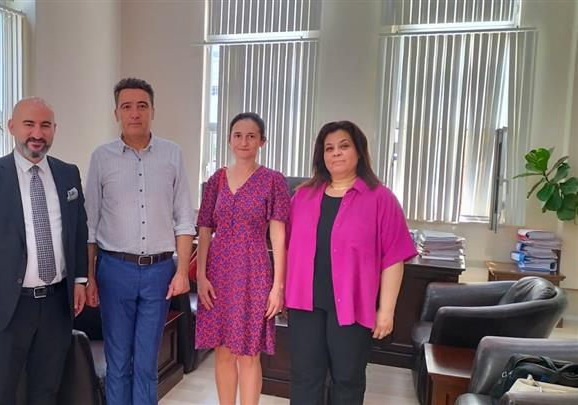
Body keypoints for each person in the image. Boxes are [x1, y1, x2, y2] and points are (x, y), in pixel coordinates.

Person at [0, 97, 88, 405]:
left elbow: (79, 229)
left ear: (54, 129)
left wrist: (80, 279)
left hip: (57, 303)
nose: (37, 134)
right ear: (12, 126)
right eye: (29, 124)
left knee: (46, 390)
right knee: (3, 390)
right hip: (7, 306)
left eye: (45, 125)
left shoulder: (68, 174)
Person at [285, 121, 417, 405]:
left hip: (352, 306)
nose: (336, 153)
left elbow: (394, 258)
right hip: (304, 304)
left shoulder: (380, 198)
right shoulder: (302, 196)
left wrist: (386, 311)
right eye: (329, 148)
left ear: (359, 151)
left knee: (347, 379)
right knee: (304, 378)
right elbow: (285, 246)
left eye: (344, 146)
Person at [84, 77, 195, 405]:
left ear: (152, 111)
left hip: (159, 272)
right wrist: (89, 276)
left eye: (142, 106)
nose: (135, 113)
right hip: (114, 270)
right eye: (127, 106)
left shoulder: (172, 154)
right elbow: (90, 223)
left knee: (147, 364)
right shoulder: (101, 157)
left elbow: (184, 218)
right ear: (116, 112)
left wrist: (181, 272)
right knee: (118, 362)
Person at [195, 112, 289, 405]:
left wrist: (278, 286)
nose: (244, 141)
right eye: (238, 135)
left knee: (249, 354)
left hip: (254, 271)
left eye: (251, 136)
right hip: (218, 273)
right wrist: (200, 275)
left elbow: (278, 236)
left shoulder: (273, 181)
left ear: (262, 141)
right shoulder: (217, 179)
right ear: (229, 140)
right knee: (223, 351)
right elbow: (205, 228)